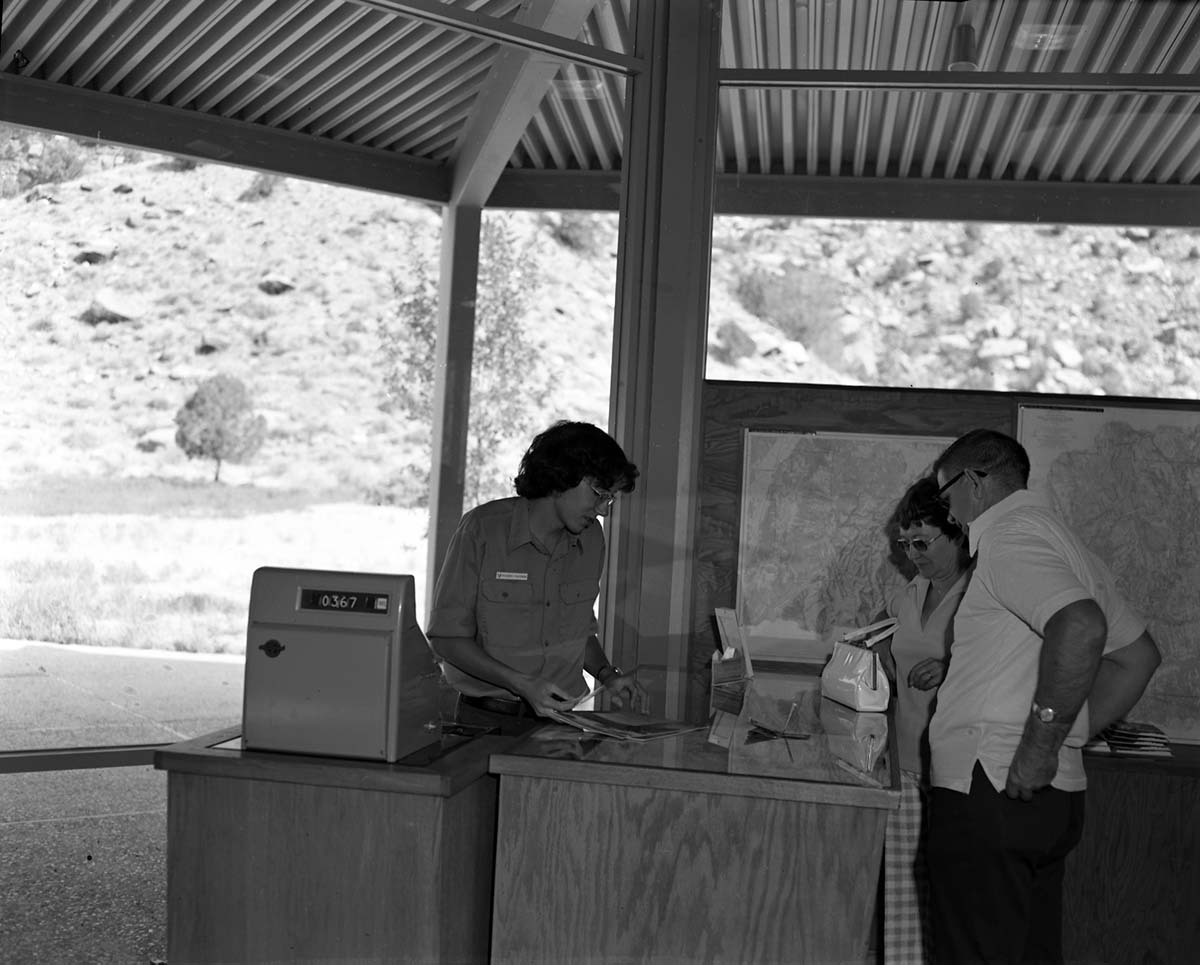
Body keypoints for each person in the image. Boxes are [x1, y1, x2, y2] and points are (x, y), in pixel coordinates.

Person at [926, 428, 1161, 964]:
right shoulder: (1065, 542)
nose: (950, 517)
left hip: (992, 788)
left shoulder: (1009, 538)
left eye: (946, 498)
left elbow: (1079, 626)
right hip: (1048, 797)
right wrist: (1060, 743)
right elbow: (1138, 658)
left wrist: (1040, 743)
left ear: (975, 483)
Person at [427, 420, 645, 735]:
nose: (604, 511)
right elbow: (448, 640)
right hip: (488, 724)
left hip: (564, 724)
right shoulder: (483, 530)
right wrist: (522, 684)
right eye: (598, 494)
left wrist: (607, 674)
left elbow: (577, 631)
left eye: (610, 499)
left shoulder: (592, 538)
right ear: (560, 478)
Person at [877, 475, 973, 965]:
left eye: (922, 541)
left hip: (960, 775)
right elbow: (886, 651)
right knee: (902, 901)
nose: (912, 553)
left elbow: (1017, 665)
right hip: (907, 764)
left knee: (953, 903)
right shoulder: (909, 595)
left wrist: (955, 667)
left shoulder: (983, 595)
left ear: (957, 533)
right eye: (904, 542)